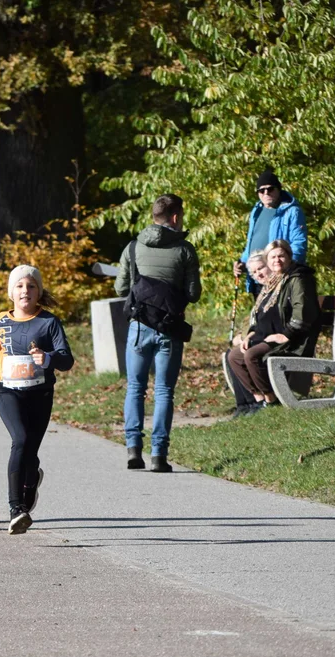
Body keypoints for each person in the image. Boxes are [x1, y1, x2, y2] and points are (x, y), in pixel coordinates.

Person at [0, 265, 74, 534]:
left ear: (38, 291)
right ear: (11, 292)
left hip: (40, 394)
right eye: (19, 286)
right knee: (20, 440)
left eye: (30, 286)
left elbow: (67, 360)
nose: (25, 291)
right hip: (7, 391)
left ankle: (32, 479)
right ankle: (15, 509)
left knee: (30, 450)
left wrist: (48, 358)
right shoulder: (1, 321)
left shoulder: (49, 322)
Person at [115, 193, 201, 473]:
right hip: (169, 329)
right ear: (175, 217)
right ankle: (158, 456)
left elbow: (120, 289)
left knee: (135, 388)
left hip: (139, 327)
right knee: (164, 391)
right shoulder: (185, 250)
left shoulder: (133, 248)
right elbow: (193, 293)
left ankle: (132, 450)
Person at [226, 239, 319, 410]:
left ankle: (271, 399)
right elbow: (262, 315)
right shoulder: (276, 281)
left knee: (251, 355)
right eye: (272, 257)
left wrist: (286, 334)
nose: (277, 260)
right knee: (234, 356)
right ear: (268, 261)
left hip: (294, 340)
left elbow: (303, 312)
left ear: (289, 257)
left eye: (281, 256)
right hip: (269, 336)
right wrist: (251, 334)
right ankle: (258, 397)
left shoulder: (298, 278)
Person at [233, 170, 308, 296]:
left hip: (280, 278)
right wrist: (242, 262)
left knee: (281, 314)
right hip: (259, 277)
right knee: (260, 314)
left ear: (278, 189)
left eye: (270, 189)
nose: (266, 193)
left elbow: (299, 244)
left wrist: (282, 270)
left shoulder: (292, 211)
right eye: (261, 190)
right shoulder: (256, 212)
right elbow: (251, 243)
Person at [227, 251, 271, 417]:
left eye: (261, 269)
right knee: (230, 355)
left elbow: (268, 322)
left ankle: (257, 400)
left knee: (241, 354)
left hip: (271, 339)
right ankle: (244, 403)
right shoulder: (261, 291)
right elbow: (253, 319)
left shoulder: (275, 288)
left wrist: (249, 337)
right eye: (253, 272)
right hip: (259, 335)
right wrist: (241, 334)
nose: (258, 274)